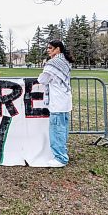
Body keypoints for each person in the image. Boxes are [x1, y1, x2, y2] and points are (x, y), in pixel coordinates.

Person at [37, 40, 74, 168]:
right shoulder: (65, 61)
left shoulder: (53, 63)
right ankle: (62, 153)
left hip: (58, 101)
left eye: (50, 48)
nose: (48, 50)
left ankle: (60, 158)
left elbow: (43, 79)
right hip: (64, 100)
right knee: (62, 130)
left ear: (58, 49)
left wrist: (43, 69)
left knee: (57, 130)